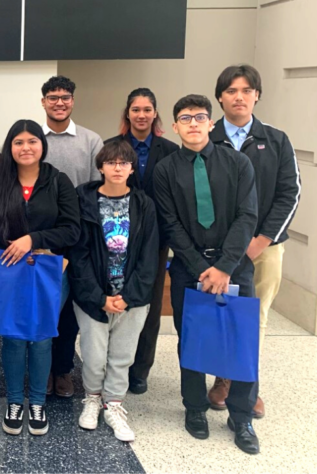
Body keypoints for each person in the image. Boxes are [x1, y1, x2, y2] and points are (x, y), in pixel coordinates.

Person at [154, 94, 260, 455]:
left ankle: (241, 415)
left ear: (211, 123)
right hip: (189, 267)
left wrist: (225, 266)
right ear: (175, 127)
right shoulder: (165, 170)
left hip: (235, 266)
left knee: (240, 339)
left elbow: (248, 216)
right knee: (192, 338)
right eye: (185, 118)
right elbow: (169, 224)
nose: (194, 124)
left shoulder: (238, 163)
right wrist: (202, 269)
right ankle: (195, 408)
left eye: (200, 117)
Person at [0, 119, 80, 436]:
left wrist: (33, 240)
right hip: (5, 271)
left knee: (43, 336)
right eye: (18, 142)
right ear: (10, 148)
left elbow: (73, 228)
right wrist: (3, 251)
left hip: (47, 270)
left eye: (32, 141)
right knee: (13, 337)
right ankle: (15, 401)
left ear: (42, 146)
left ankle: (37, 403)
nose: (26, 147)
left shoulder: (58, 181)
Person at [207, 64, 301, 419]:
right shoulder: (207, 136)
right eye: (231, 91)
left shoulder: (275, 139)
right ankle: (222, 380)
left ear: (257, 95)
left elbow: (289, 194)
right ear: (220, 97)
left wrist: (261, 240)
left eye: (246, 90)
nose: (239, 97)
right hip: (218, 251)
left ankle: (248, 384)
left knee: (254, 317)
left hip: (263, 248)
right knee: (221, 315)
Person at [69, 140, 159, 442]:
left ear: (132, 168)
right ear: (100, 167)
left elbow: (150, 255)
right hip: (94, 297)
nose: (117, 167)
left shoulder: (144, 204)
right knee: (94, 356)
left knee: (122, 356)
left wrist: (129, 296)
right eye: (111, 162)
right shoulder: (85, 201)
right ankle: (92, 399)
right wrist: (99, 297)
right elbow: (78, 255)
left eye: (124, 163)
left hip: (131, 299)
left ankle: (114, 406)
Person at [104, 88, 180, 395]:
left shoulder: (170, 150)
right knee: (114, 299)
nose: (141, 115)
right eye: (135, 109)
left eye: (147, 109)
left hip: (156, 239)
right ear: (127, 114)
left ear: (155, 113)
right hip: (116, 236)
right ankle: (111, 365)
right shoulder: (112, 148)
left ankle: (140, 369)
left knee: (146, 304)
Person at [40, 75, 103, 398]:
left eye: (65, 97)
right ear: (43, 102)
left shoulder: (92, 141)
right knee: (42, 307)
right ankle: (40, 370)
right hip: (40, 240)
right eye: (53, 97)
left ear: (73, 101)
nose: (59, 102)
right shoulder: (34, 139)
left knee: (69, 314)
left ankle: (62, 371)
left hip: (77, 239)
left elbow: (96, 193)